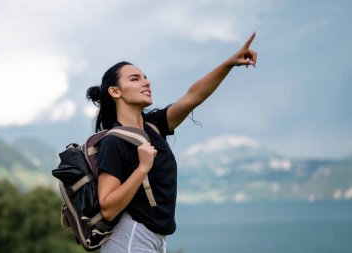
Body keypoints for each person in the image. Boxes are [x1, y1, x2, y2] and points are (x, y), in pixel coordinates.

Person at [86, 32, 257, 253]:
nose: (146, 82)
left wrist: (229, 64)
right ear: (115, 91)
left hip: (156, 240)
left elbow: (193, 96)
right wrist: (143, 168)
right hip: (130, 238)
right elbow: (108, 207)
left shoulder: (154, 127)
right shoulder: (114, 141)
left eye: (145, 77)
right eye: (135, 79)